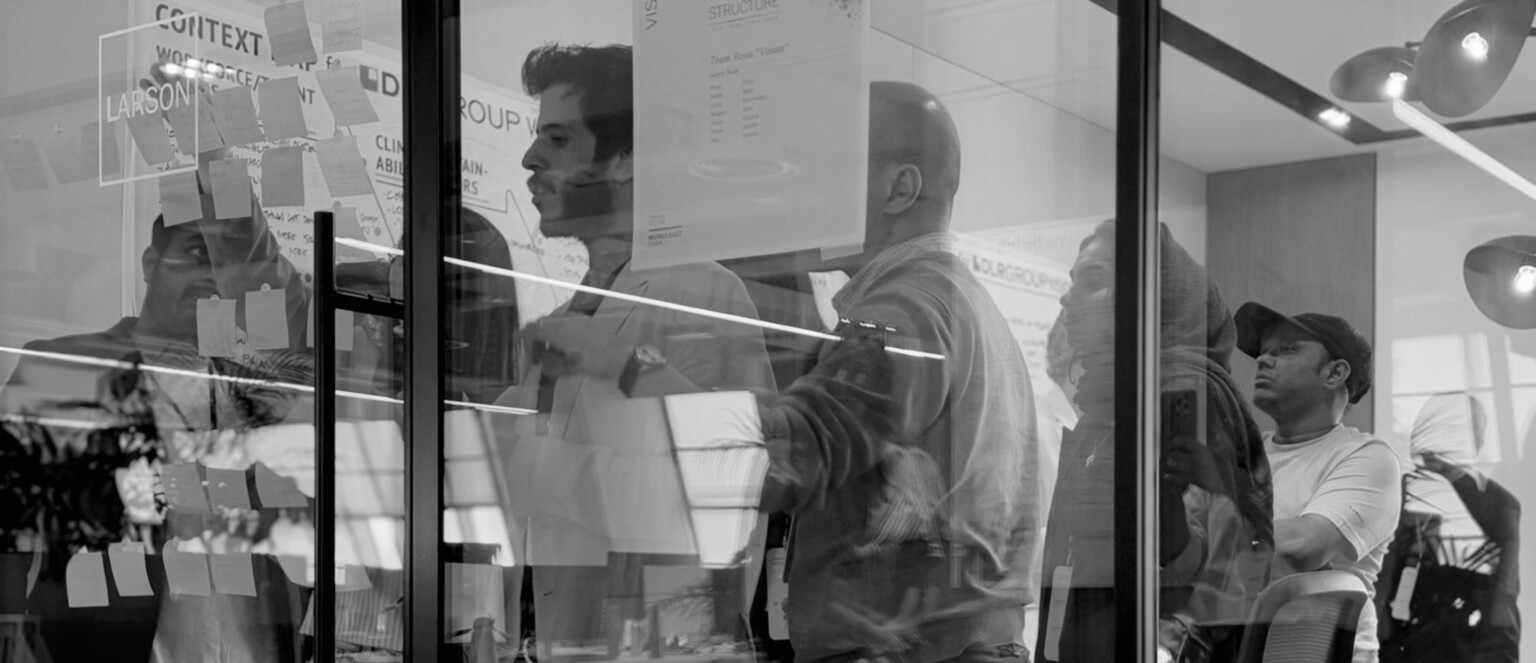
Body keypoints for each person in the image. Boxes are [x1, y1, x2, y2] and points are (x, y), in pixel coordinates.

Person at [531, 80, 1041, 662]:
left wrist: (626, 364)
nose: (806, 197)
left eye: (829, 172)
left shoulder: (902, 314)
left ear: (900, 189)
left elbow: (772, 463)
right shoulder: (960, 306)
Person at [489, 42, 777, 657]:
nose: (529, 158)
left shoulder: (700, 292)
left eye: (560, 140)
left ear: (626, 158)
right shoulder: (565, 319)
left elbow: (729, 485)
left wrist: (534, 465)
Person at [1, 198, 313, 663]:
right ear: (151, 264)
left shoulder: (253, 391)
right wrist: (10, 633)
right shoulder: (67, 366)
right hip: (108, 640)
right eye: (194, 253)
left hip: (257, 641)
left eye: (226, 263)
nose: (211, 275)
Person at [1038, 221, 1274, 662]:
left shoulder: (1179, 394)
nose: (1066, 297)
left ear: (1152, 300)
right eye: (1072, 281)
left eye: (1091, 281)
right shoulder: (1108, 399)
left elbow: (1203, 573)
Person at [1234, 303, 1400, 663]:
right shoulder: (1244, 454)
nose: (1263, 360)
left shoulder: (1369, 457)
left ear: (1335, 373)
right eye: (1263, 352)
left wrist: (1212, 531)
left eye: (1286, 349)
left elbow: (1303, 546)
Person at [1376, 392, 1520, 662]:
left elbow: (1504, 591)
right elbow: (1383, 566)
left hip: (1466, 639)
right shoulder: (1399, 492)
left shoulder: (1500, 505)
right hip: (1399, 637)